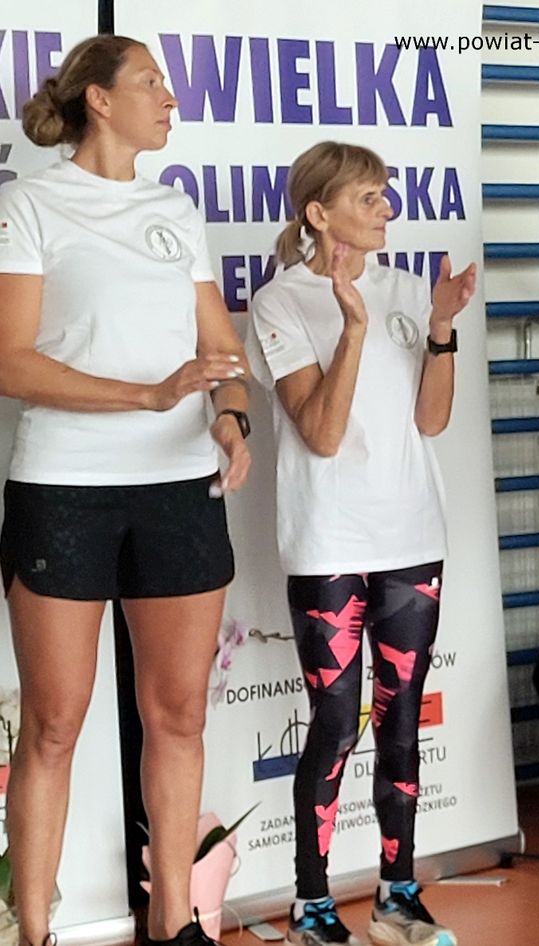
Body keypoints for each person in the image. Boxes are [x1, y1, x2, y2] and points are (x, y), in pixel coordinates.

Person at [0, 36, 252, 946]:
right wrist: (145, 395)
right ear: (99, 100)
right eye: (151, 82)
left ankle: (174, 922)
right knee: (54, 725)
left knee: (178, 716)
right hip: (65, 488)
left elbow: (221, 349)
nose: (170, 98)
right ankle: (35, 931)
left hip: (179, 489)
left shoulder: (175, 210)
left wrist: (231, 416)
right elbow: (10, 361)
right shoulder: (29, 204)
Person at [246, 142, 476, 946]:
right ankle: (312, 907)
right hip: (330, 545)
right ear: (319, 213)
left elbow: (431, 421)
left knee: (402, 722)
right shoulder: (279, 303)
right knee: (337, 725)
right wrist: (351, 328)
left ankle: (397, 896)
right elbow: (321, 432)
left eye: (385, 195)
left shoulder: (410, 290)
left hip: (411, 536)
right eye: (368, 198)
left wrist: (440, 327)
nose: (387, 210)